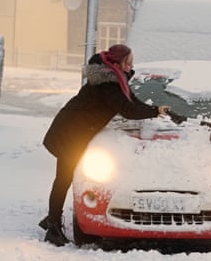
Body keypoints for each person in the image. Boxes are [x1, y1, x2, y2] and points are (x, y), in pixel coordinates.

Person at [38, 44, 171, 247]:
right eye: (129, 62)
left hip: (77, 129)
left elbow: (133, 102)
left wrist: (156, 110)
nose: (131, 66)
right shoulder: (108, 83)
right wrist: (154, 112)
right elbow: (127, 110)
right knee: (63, 178)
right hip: (71, 131)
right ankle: (53, 226)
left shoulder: (116, 79)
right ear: (117, 64)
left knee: (64, 177)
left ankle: (51, 218)